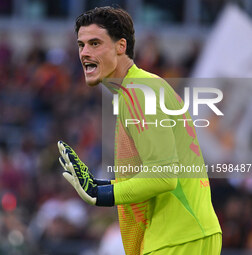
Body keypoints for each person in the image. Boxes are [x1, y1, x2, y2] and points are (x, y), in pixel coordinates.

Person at [57, 6, 222, 255]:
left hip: (177, 238)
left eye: (94, 43)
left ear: (120, 47)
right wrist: (100, 185)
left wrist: (101, 194)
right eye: (81, 45)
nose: (85, 53)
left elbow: (164, 175)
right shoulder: (140, 88)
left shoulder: (138, 91)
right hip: (185, 234)